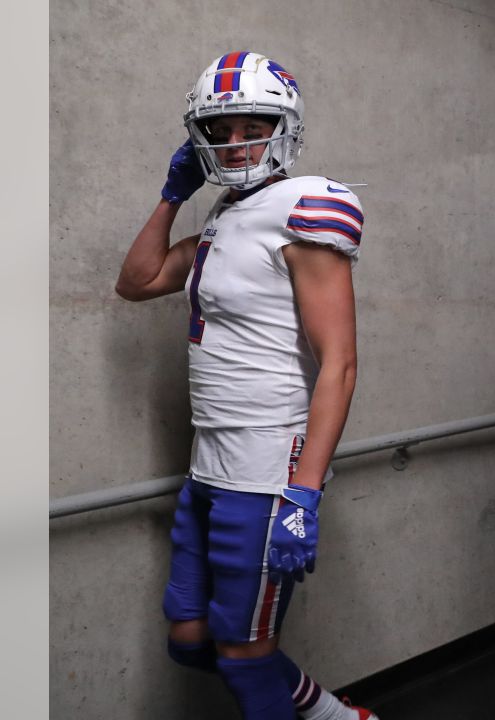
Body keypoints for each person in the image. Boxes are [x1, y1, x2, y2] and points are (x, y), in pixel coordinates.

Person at [115, 52, 375, 720]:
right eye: (220, 129)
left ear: (283, 126)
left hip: (267, 465)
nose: (237, 143)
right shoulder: (229, 219)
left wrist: (304, 494)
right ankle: (335, 716)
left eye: (252, 125)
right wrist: (173, 195)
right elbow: (137, 280)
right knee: (192, 639)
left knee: (245, 655)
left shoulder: (303, 206)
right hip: (210, 463)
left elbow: (339, 363)